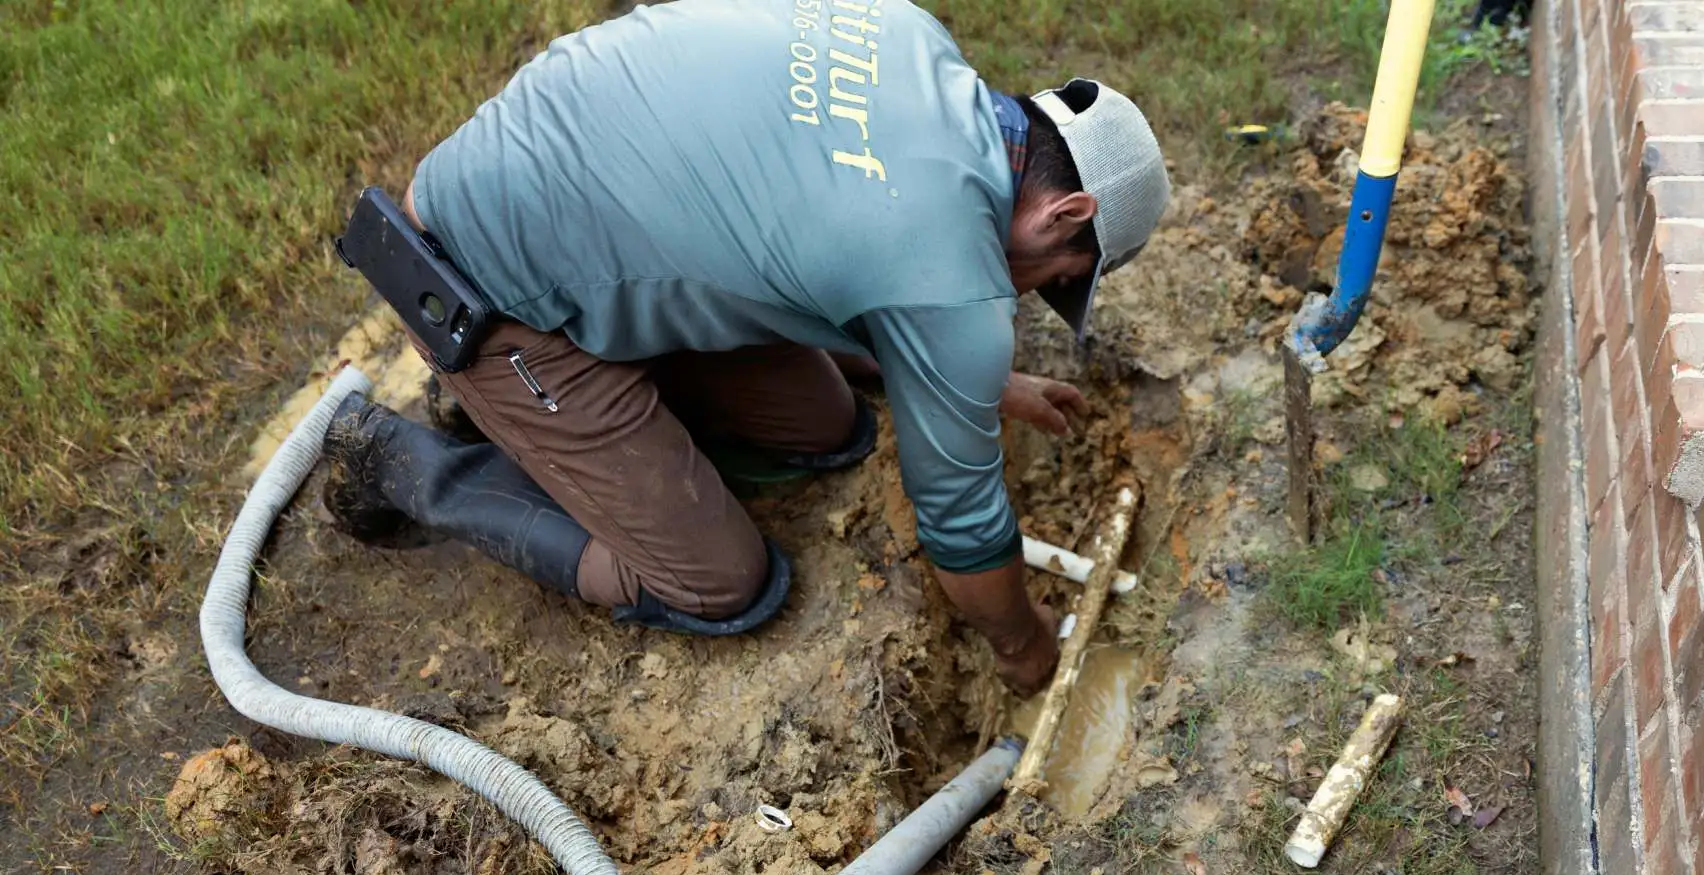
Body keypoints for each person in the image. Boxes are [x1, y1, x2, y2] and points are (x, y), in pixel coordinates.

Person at [320, 0, 1170, 695]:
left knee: (829, 426)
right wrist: (1023, 651)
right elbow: (963, 527)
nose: (1027, 292)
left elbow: (831, 241)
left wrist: (977, 379)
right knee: (724, 584)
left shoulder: (910, 38)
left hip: (554, 185)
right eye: (1055, 276)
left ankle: (560, 417)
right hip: (479, 283)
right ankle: (410, 458)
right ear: (1068, 214)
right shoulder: (948, 285)